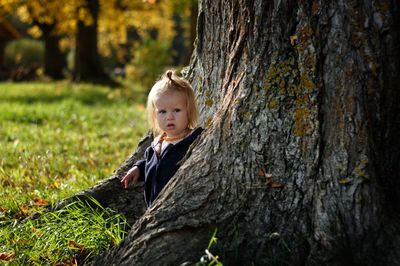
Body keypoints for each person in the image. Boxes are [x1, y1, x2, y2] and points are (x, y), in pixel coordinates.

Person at [121, 70, 203, 207]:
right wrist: (139, 169)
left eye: (177, 110)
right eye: (162, 112)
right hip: (154, 208)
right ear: (155, 114)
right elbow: (151, 163)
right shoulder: (157, 144)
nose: (169, 117)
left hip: (180, 206)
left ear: (189, 112)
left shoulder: (195, 140)